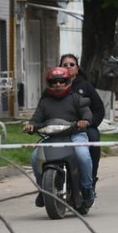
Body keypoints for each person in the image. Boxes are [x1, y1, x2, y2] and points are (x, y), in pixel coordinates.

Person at [23, 67, 95, 208]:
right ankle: (43, 189)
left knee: (83, 155)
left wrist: (84, 121)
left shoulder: (76, 98)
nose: (58, 85)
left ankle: (87, 189)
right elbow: (36, 119)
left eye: (62, 81)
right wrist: (31, 125)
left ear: (68, 81)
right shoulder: (44, 102)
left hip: (75, 135)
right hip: (51, 137)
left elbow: (87, 114)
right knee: (34, 157)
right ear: (49, 83)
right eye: (54, 82)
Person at [59, 54, 106, 191]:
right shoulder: (54, 85)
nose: (68, 67)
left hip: (83, 127)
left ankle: (90, 181)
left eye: (71, 64)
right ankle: (46, 185)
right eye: (64, 64)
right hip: (60, 127)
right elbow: (44, 107)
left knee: (93, 139)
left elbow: (99, 109)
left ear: (77, 69)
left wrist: (89, 123)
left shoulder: (85, 86)